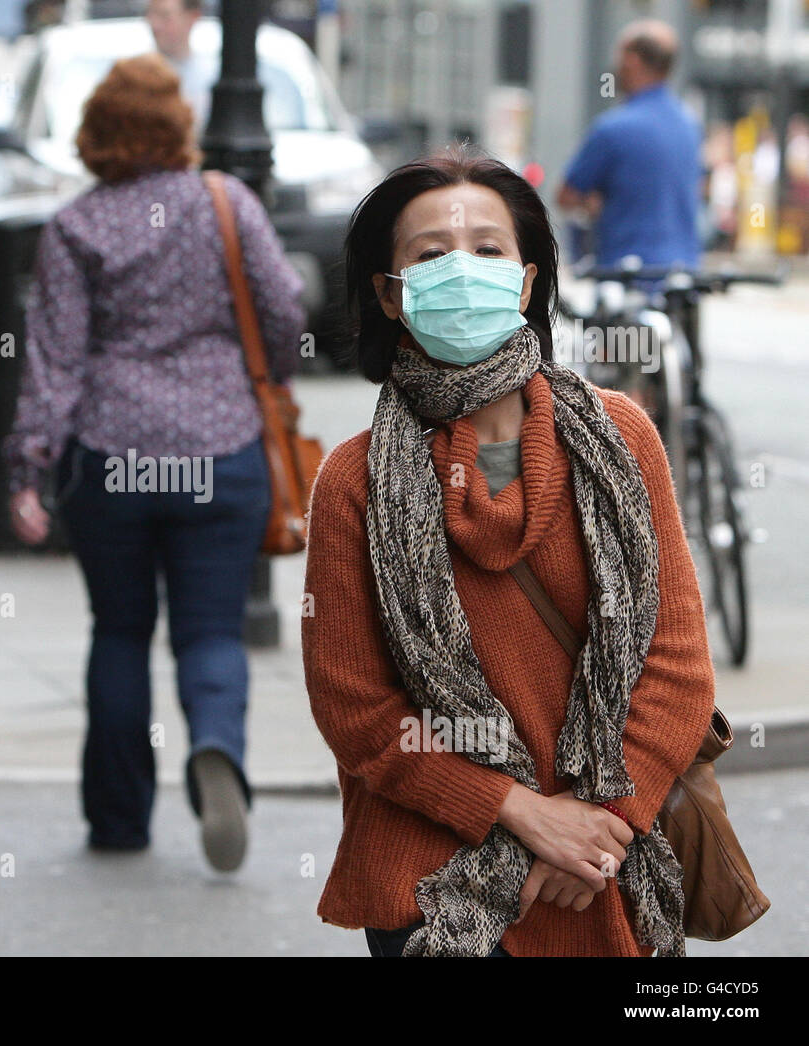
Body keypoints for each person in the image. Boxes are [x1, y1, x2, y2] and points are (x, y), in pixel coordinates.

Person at [303, 146, 715, 956]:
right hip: (432, 875)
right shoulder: (354, 481)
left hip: (603, 866)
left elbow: (677, 663)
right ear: (390, 295)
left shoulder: (621, 439)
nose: (463, 269)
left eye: (488, 249)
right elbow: (358, 710)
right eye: (430, 255)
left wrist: (600, 828)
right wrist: (521, 818)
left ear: (526, 283)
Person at [5, 54, 304, 871]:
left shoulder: (76, 227)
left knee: (121, 632)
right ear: (178, 127)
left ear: (97, 136)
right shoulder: (226, 201)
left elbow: (54, 360)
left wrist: (29, 468)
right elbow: (284, 305)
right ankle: (216, 749)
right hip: (222, 450)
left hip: (113, 457)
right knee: (212, 632)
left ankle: (119, 820)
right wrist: (272, 374)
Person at [558, 19, 702, 269]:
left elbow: (566, 196)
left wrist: (592, 203)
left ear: (632, 60)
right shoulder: (690, 125)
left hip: (626, 275)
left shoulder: (613, 128)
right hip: (683, 274)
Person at [146, 0, 214, 131]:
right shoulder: (133, 75)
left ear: (193, 18)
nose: (154, 25)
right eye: (150, 14)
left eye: (164, 15)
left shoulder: (209, 77)